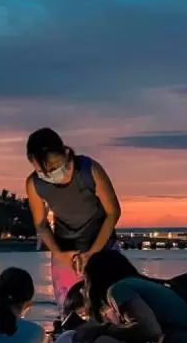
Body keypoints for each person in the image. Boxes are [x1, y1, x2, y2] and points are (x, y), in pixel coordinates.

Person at [25, 127, 122, 310]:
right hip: (65, 250)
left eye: (53, 168)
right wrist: (60, 254)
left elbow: (113, 212)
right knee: (71, 310)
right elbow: (41, 224)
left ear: (66, 152)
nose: (49, 175)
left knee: (111, 306)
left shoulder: (88, 170)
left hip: (103, 246)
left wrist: (93, 252)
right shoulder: (35, 184)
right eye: (42, 171)